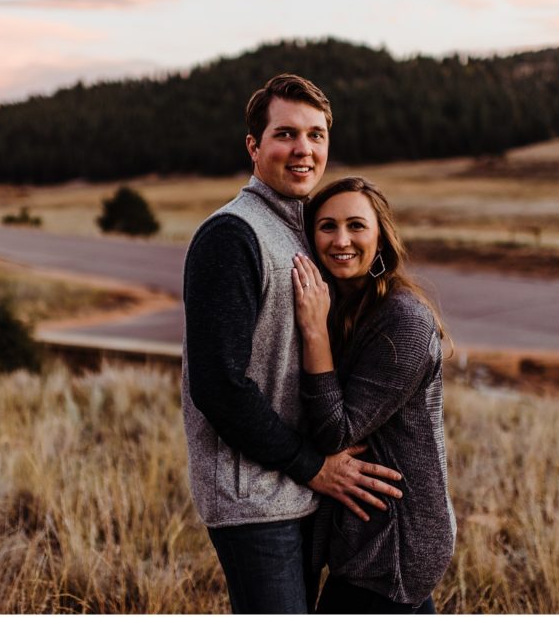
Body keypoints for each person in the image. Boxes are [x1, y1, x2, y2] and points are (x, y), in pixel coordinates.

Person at [181, 76, 405, 614]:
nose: (304, 149)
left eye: (316, 134)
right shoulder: (232, 235)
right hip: (254, 499)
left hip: (299, 492)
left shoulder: (301, 229)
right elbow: (218, 385)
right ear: (254, 147)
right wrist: (312, 464)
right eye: (285, 134)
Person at [291, 176, 456, 613]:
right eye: (327, 227)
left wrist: (313, 331)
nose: (341, 239)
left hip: (392, 546)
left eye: (356, 225)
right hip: (371, 533)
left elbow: (335, 431)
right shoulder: (349, 306)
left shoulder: (403, 323)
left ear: (381, 236)